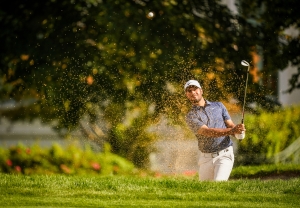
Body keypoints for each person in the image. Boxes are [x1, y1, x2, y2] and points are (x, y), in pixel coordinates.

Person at [184, 80, 245, 181]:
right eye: (189, 91)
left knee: (218, 184)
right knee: (206, 191)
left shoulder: (219, 106)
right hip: (205, 158)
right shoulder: (190, 116)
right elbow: (207, 132)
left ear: (201, 90)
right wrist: (232, 131)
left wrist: (239, 131)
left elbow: (230, 125)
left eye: (195, 89)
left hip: (224, 154)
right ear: (187, 95)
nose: (193, 92)